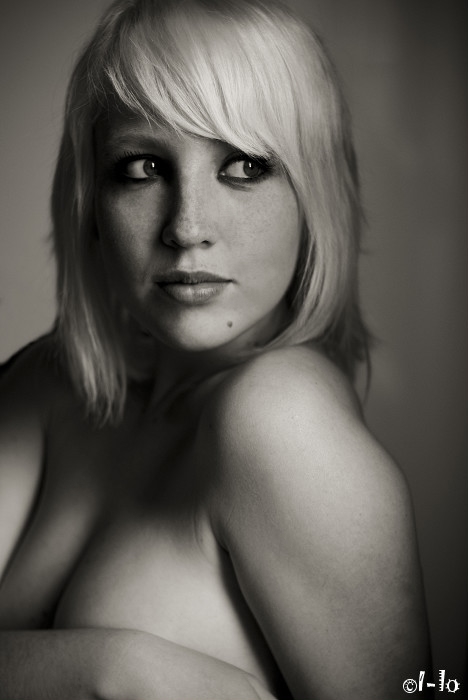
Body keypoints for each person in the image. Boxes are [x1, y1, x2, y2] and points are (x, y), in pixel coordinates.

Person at [0, 0, 432, 698]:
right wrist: (115, 671)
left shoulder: (284, 423)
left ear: (315, 194)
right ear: (90, 201)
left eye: (245, 165)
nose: (187, 227)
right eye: (142, 167)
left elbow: (426, 688)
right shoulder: (45, 384)